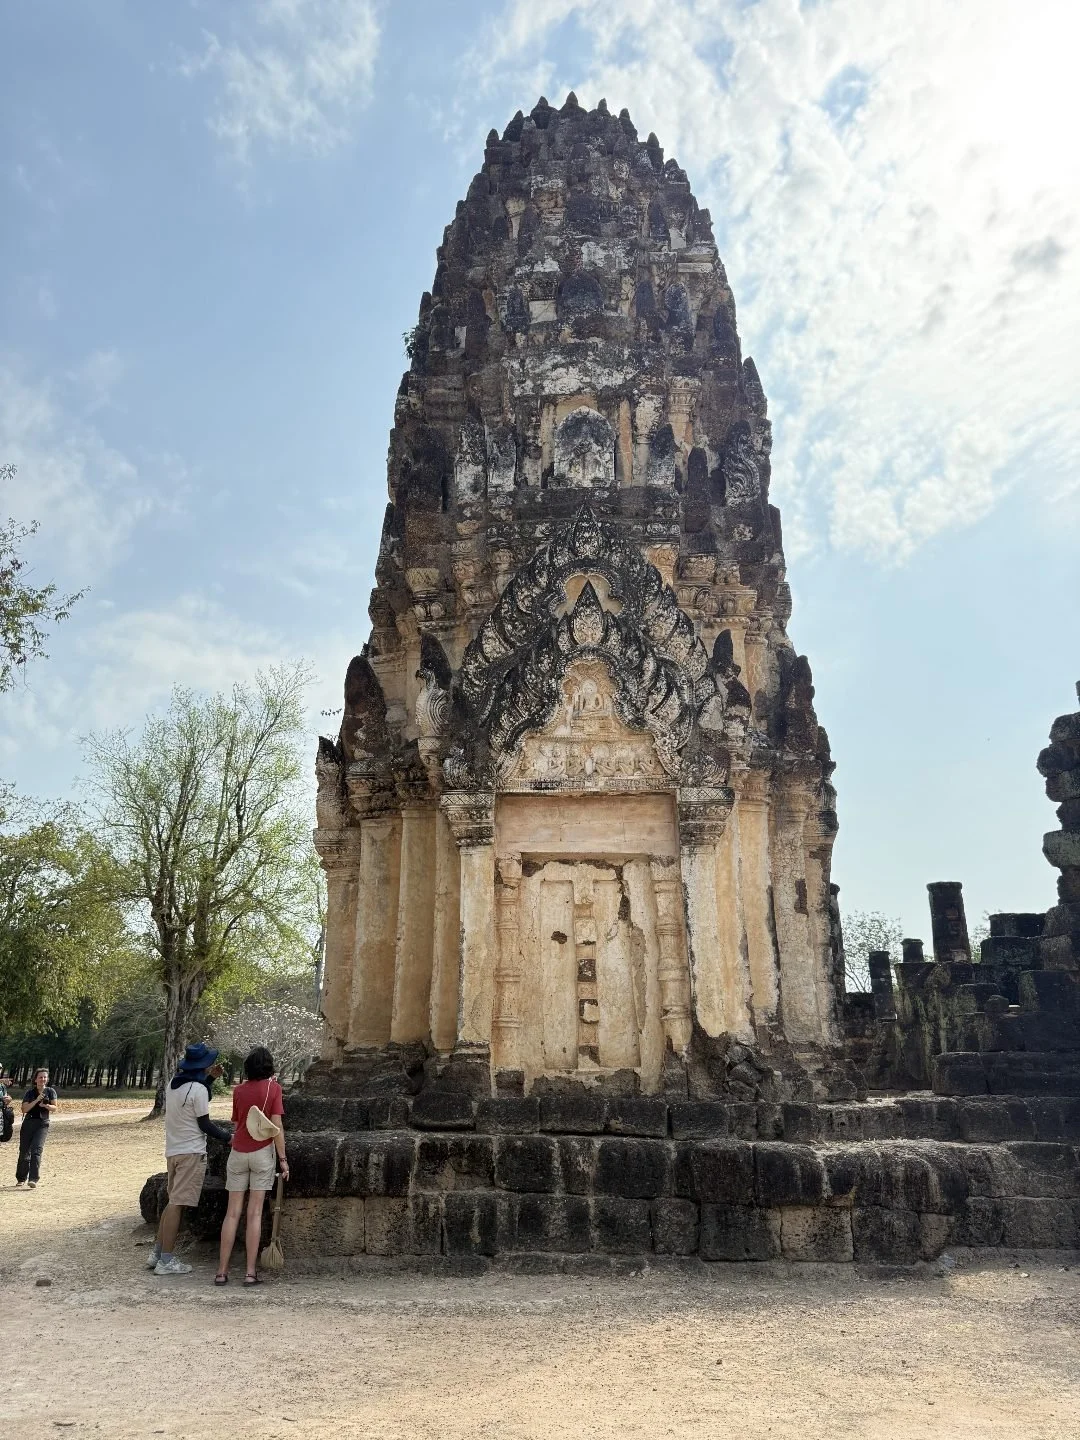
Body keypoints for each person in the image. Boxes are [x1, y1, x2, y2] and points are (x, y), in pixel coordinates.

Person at [149, 1042, 232, 1277]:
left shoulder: (173, 1085)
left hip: (174, 1150)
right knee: (178, 1203)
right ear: (203, 1065)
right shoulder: (198, 1090)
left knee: (172, 1201)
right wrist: (228, 1138)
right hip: (191, 1152)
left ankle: (157, 1252)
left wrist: (210, 1080)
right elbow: (203, 1123)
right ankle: (166, 1260)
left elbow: (193, 1099)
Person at [215, 1046, 288, 1286]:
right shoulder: (274, 1089)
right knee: (254, 1213)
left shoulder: (239, 1090)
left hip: (238, 1152)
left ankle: (222, 1271)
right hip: (261, 1153)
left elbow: (237, 1122)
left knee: (232, 1213)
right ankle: (249, 1272)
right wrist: (283, 1159)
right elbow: (276, 1126)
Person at [15, 1067, 58, 1188]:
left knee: (37, 1150)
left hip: (42, 1124)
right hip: (29, 1123)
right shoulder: (29, 1093)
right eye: (40, 1077)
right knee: (24, 1151)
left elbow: (55, 1108)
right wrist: (36, 1100)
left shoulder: (51, 1091)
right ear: (35, 1079)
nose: (43, 1079)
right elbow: (24, 1109)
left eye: (45, 1077)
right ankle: (21, 1178)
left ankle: (33, 1178)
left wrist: (46, 1105)